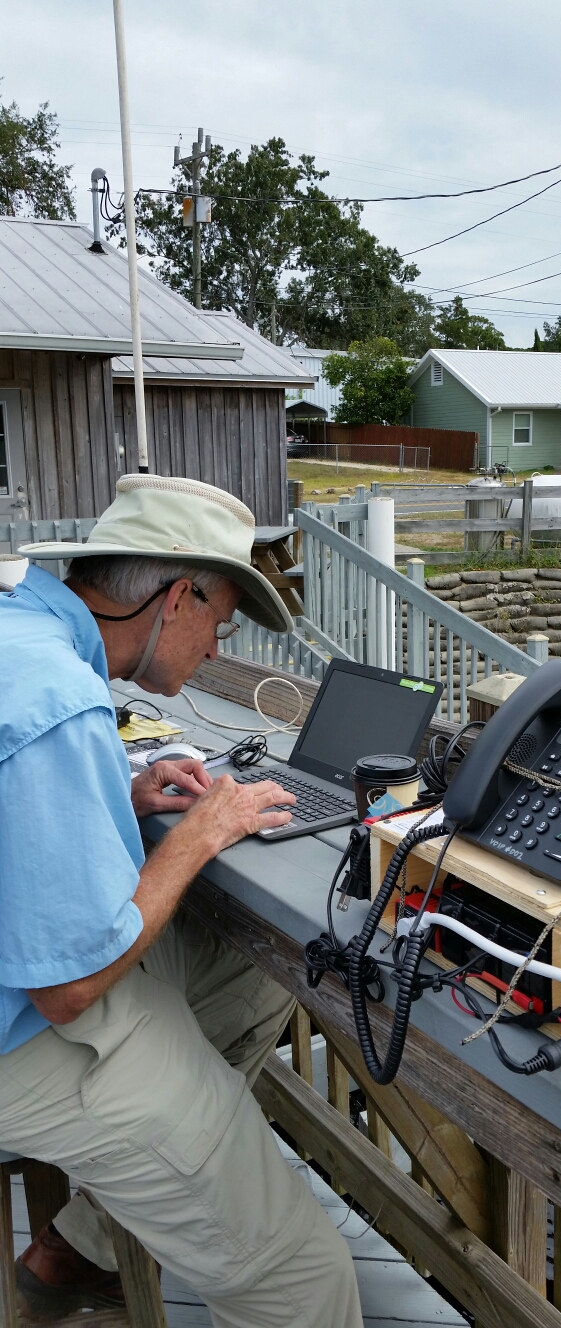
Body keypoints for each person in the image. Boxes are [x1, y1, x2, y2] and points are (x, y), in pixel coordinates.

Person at [0, 474, 363, 1328]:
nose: (216, 645)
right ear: (176, 596)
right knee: (307, 1280)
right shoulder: (56, 699)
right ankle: (194, 1182)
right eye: (222, 620)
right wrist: (202, 832)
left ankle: (76, 1249)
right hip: (30, 1037)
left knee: (264, 975)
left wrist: (119, 797)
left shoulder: (19, 638)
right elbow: (70, 988)